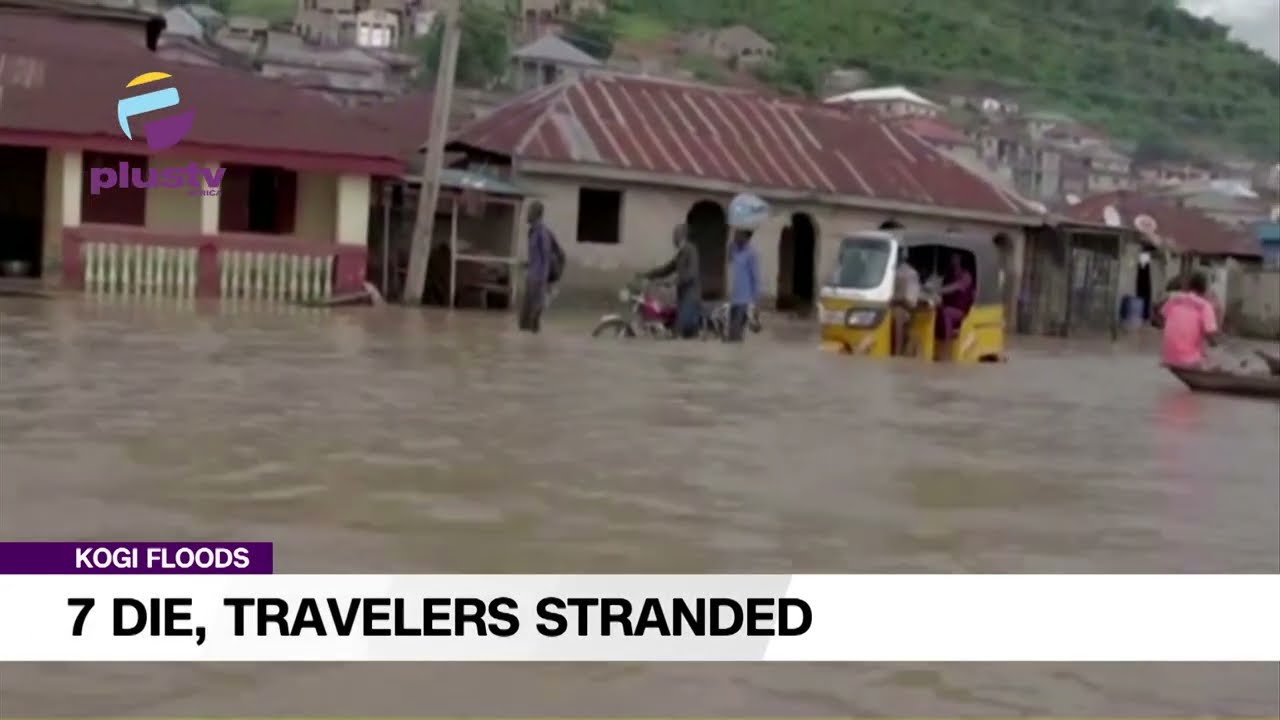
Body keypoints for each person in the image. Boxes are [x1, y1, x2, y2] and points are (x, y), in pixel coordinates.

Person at [639, 224, 701, 338]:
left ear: (682, 236)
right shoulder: (680, 254)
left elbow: (692, 273)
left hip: (691, 296)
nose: (673, 238)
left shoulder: (691, 250)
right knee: (674, 326)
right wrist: (648, 275)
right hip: (682, 295)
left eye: (675, 235)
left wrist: (674, 281)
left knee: (678, 330)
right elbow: (667, 268)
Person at [1160, 271, 1221, 369]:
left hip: (1167, 357)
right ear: (1205, 289)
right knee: (1213, 363)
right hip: (1189, 360)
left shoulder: (1175, 299)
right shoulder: (1205, 306)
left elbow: (1162, 317)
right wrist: (1217, 347)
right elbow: (1210, 335)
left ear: (1188, 286)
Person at [518, 201, 553, 333]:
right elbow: (537, 256)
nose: (527, 214)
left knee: (534, 316)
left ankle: (535, 339)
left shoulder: (542, 233)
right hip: (531, 277)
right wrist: (528, 264)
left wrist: (545, 280)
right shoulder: (532, 231)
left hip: (538, 279)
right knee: (524, 321)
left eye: (529, 211)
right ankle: (530, 342)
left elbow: (546, 257)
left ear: (536, 214)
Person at [727, 228, 760, 342]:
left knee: (736, 332)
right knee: (731, 332)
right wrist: (730, 249)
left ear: (746, 237)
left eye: (738, 235)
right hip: (733, 298)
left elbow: (755, 278)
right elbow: (729, 265)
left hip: (744, 300)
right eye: (735, 234)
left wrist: (756, 302)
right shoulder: (734, 250)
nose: (735, 237)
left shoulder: (751, 253)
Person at [935, 252, 974, 342]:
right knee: (935, 310)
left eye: (955, 257)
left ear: (960, 259)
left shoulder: (966, 275)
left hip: (962, 311)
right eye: (952, 257)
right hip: (950, 306)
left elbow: (953, 287)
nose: (953, 259)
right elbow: (941, 285)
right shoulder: (949, 274)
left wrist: (937, 290)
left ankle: (948, 340)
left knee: (946, 312)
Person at [890, 248, 920, 356]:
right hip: (884, 306)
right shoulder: (884, 269)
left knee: (899, 313)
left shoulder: (909, 273)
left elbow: (911, 302)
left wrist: (895, 300)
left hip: (903, 309)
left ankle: (897, 354)